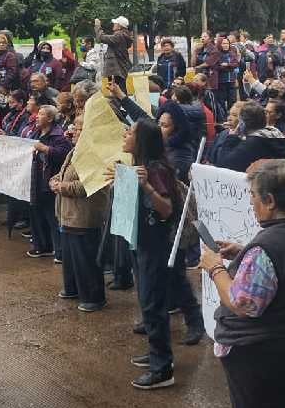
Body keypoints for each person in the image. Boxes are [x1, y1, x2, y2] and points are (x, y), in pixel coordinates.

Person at [200, 159, 285, 408]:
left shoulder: (268, 247)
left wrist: (215, 267)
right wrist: (243, 252)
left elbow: (242, 303)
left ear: (270, 201)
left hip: (268, 356)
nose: (251, 202)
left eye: (252, 195)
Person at [109, 117, 183, 389]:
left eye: (130, 132)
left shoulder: (155, 170)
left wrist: (146, 186)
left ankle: (162, 369)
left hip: (154, 246)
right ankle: (157, 354)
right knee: (148, 301)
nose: (125, 135)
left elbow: (166, 209)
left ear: (141, 141)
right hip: (139, 243)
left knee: (153, 304)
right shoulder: (137, 167)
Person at [51, 114, 109, 311]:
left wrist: (62, 187)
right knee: (70, 257)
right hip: (67, 212)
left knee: (85, 258)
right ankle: (73, 288)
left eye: (79, 128)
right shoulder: (75, 151)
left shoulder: (95, 154)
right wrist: (55, 181)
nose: (73, 131)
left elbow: (87, 185)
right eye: (74, 127)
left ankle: (93, 297)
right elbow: (62, 173)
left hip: (84, 215)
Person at [27, 105, 71, 261]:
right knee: (37, 215)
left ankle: (59, 251)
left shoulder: (59, 136)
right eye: (37, 114)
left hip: (50, 182)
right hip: (36, 181)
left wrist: (45, 149)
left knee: (53, 218)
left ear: (50, 119)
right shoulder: (35, 133)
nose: (37, 117)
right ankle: (43, 247)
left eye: (41, 114)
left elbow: (64, 154)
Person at [213, 102, 285, 172]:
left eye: (234, 116)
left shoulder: (253, 143)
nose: (229, 118)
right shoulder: (276, 136)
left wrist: (232, 138)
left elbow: (223, 165)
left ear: (242, 123)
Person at [95, 16, 133, 89]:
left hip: (116, 71)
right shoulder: (123, 35)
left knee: (117, 92)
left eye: (115, 23)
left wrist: (98, 26)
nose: (113, 25)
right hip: (119, 71)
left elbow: (101, 38)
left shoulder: (119, 35)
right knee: (119, 92)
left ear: (119, 26)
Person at [0, 30, 20, 94]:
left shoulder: (9, 55)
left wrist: (3, 85)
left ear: (7, 44)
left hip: (4, 88)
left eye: (4, 43)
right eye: (0, 42)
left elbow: (12, 73)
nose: (1, 44)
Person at [214, 36, 240, 113]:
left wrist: (228, 65)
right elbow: (217, 66)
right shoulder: (217, 54)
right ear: (220, 44)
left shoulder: (232, 53)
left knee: (232, 101)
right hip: (221, 81)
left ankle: (232, 115)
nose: (225, 45)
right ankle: (223, 117)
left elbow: (236, 63)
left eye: (227, 43)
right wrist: (229, 66)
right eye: (223, 43)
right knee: (221, 102)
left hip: (231, 81)